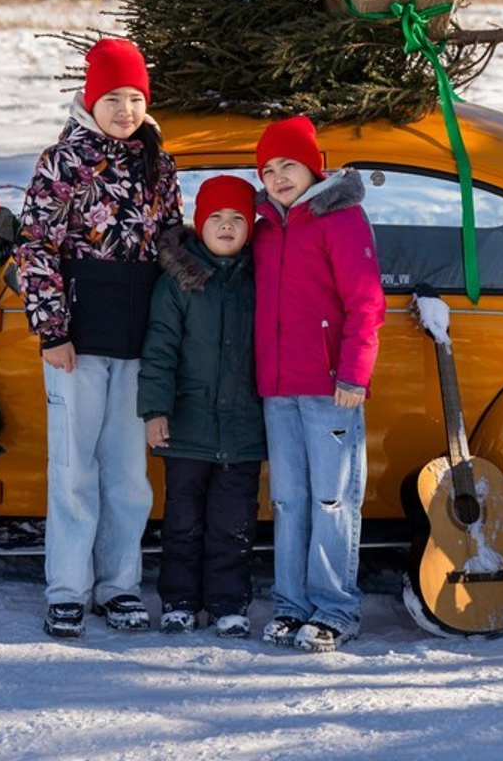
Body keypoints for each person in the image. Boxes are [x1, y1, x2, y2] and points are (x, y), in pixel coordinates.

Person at [14, 37, 182, 639]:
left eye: (135, 98)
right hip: (78, 340)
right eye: (113, 98)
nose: (125, 110)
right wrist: (52, 330)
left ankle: (119, 586)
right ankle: (68, 588)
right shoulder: (64, 161)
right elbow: (36, 247)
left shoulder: (157, 162)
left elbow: (168, 243)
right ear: (91, 100)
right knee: (74, 468)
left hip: (136, 340)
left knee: (127, 474)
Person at [252, 115, 385, 653]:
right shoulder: (262, 224)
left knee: (333, 500)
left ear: (313, 167)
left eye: (289, 165)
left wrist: (355, 372)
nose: (279, 177)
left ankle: (335, 608)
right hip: (278, 386)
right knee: (287, 500)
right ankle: (291, 605)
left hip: (332, 387)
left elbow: (366, 303)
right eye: (268, 169)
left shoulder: (341, 219)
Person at [137, 174, 264, 638]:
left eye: (237, 219)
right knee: (183, 523)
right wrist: (154, 411)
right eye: (217, 218)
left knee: (233, 524)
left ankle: (230, 603)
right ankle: (179, 600)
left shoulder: (260, 279)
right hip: (186, 427)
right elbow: (160, 349)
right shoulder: (179, 282)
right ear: (199, 224)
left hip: (243, 427)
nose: (227, 227)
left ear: (250, 227)